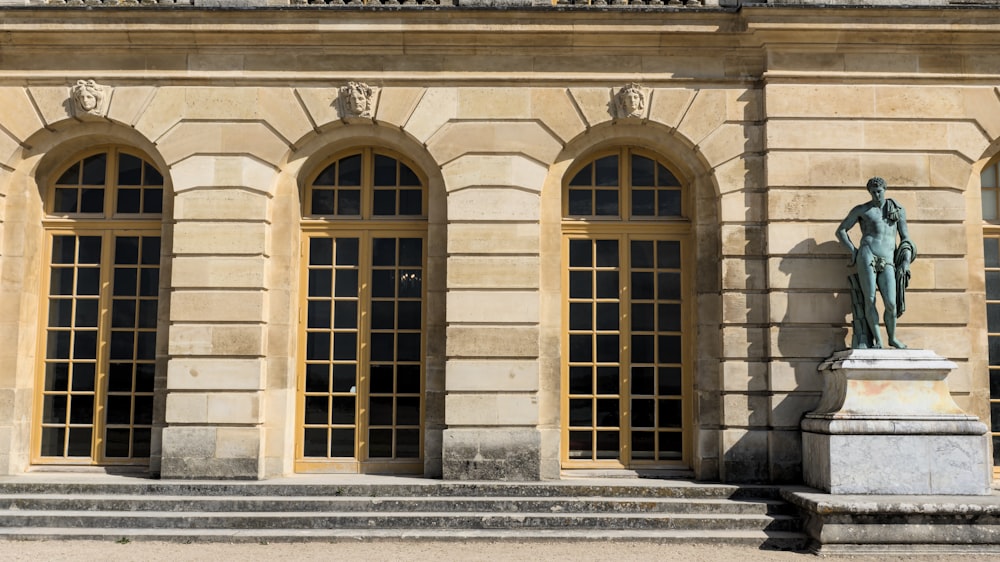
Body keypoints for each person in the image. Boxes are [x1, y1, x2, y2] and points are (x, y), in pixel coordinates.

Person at [835, 177, 916, 349]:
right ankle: (878, 340)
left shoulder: (897, 209)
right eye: (873, 192)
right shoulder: (863, 210)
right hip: (867, 255)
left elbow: (906, 239)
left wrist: (906, 261)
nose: (876, 194)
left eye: (879, 191)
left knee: (891, 303)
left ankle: (892, 337)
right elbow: (841, 230)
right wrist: (853, 251)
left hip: (888, 258)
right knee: (869, 298)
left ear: (884, 190)